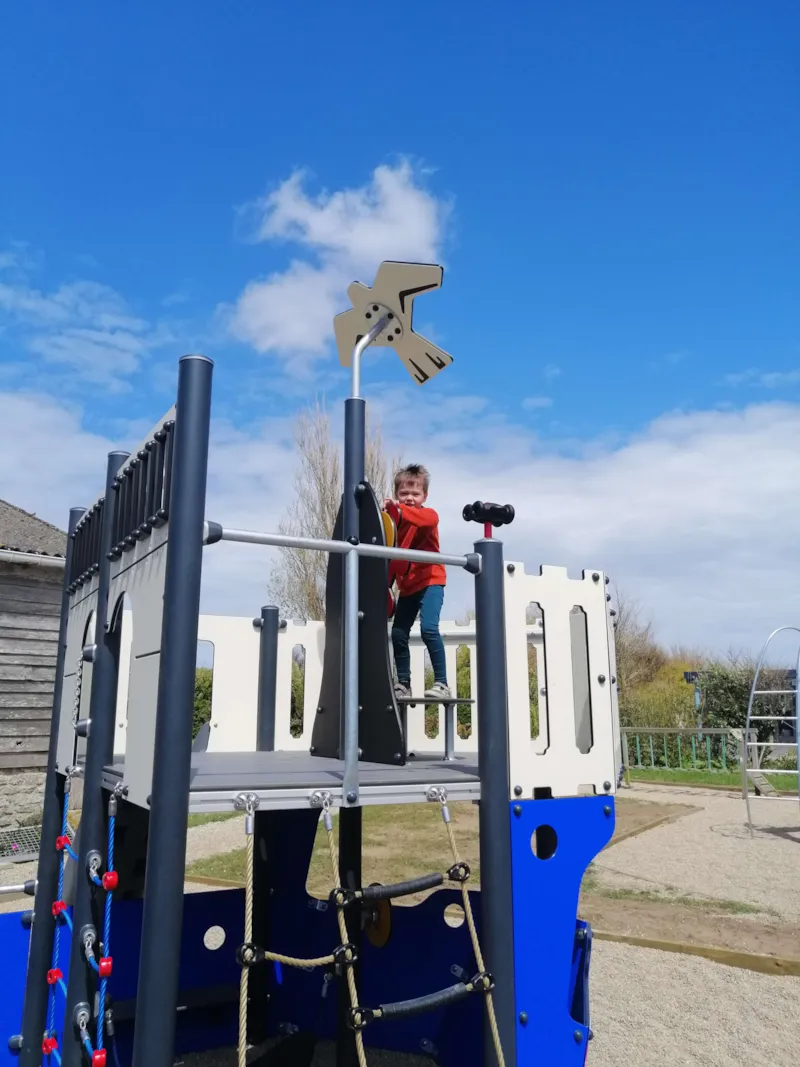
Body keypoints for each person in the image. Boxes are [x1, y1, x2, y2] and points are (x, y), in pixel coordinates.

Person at [383, 463, 451, 700]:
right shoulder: (395, 526)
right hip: (408, 586)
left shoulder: (428, 515)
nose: (410, 498)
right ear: (396, 495)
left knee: (429, 629)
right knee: (399, 633)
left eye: (415, 494)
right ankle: (404, 683)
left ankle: (441, 683)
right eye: (404, 494)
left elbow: (422, 521)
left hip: (431, 580)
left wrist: (396, 510)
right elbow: (392, 557)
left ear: (425, 496)